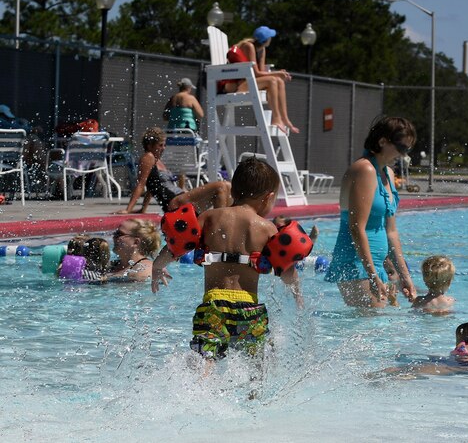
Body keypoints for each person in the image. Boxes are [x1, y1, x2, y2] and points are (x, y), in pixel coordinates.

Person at [151, 157, 311, 360]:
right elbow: (287, 272)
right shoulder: (267, 228)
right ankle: (255, 393)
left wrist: (157, 266)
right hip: (250, 309)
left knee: (205, 360)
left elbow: (177, 246)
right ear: (268, 198)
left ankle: (200, 389)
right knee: (257, 364)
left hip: (214, 305)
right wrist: (297, 294)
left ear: (233, 190)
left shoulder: (209, 218)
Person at [324, 116, 418, 308]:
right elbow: (357, 228)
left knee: (379, 328)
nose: (403, 155)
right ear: (383, 141)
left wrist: (404, 276)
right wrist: (372, 274)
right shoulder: (364, 170)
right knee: (370, 327)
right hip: (356, 262)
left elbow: (391, 231)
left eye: (407, 150)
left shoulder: (389, 174)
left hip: (375, 263)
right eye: (401, 148)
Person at [115, 127, 231, 215]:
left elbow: (152, 187)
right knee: (221, 185)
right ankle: (219, 224)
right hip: (174, 203)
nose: (163, 148)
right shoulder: (148, 157)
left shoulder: (157, 161)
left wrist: (143, 209)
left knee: (225, 189)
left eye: (164, 145)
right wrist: (128, 209)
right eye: (160, 145)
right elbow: (141, 184)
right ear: (150, 145)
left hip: (181, 198)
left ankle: (224, 223)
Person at [222, 26, 298, 134]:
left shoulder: (262, 50)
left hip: (249, 81)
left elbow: (262, 73)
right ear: (266, 40)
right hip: (237, 86)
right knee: (272, 80)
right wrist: (277, 73)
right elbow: (257, 73)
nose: (271, 39)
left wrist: (279, 74)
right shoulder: (249, 46)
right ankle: (276, 119)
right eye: (270, 37)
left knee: (279, 81)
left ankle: (284, 118)